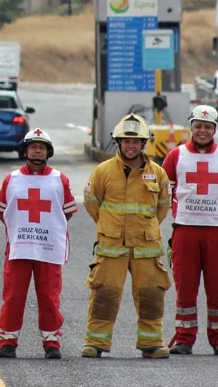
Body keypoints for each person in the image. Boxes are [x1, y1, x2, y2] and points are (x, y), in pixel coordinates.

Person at [80, 114, 172, 359]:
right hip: (111, 246)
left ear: (144, 144)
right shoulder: (103, 171)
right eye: (126, 141)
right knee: (104, 293)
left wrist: (145, 228)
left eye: (136, 141)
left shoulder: (159, 174)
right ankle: (95, 343)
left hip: (147, 247)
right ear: (118, 142)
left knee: (152, 294)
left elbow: (162, 207)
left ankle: (151, 344)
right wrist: (109, 226)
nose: (130, 146)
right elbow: (92, 203)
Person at [161, 105, 218, 356]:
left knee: (217, 287)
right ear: (191, 128)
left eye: (207, 127)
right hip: (185, 230)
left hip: (217, 230)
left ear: (215, 129)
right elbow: (166, 189)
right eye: (198, 126)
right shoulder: (175, 156)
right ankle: (183, 339)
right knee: (185, 287)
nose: (202, 131)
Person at [0, 128, 77, 360]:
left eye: (41, 147)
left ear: (48, 151)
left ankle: (51, 342)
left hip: (49, 248)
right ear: (25, 150)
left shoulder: (60, 179)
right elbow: (2, 212)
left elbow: (67, 212)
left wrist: (45, 229)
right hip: (19, 248)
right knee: (13, 295)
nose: (37, 150)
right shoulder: (12, 179)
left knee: (49, 296)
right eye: (33, 146)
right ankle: (8, 341)